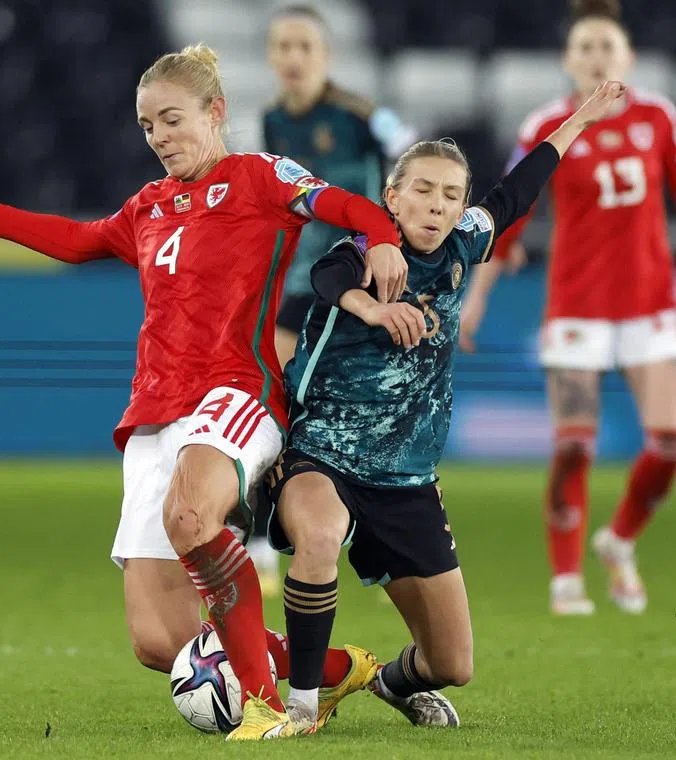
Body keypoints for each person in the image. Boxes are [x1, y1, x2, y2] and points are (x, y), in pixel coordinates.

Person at [0, 45, 408, 741]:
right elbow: (80, 240)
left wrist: (379, 236)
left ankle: (265, 707)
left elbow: (340, 203)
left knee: (194, 519)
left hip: (236, 391)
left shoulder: (257, 178)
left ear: (215, 112)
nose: (159, 137)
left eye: (171, 120)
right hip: (152, 414)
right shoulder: (150, 205)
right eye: (147, 127)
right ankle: (340, 667)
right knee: (160, 642)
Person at [265, 83, 629, 731]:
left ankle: (384, 682)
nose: (437, 206)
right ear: (392, 197)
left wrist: (582, 118)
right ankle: (298, 708)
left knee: (452, 664)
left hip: (407, 481)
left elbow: (519, 188)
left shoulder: (465, 244)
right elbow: (331, 278)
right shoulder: (366, 250)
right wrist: (375, 307)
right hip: (321, 457)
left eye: (450, 195)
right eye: (424, 190)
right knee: (318, 537)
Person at [460, 0, 676, 616]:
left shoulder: (659, 117)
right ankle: (566, 578)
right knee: (575, 445)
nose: (595, 57)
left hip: (651, 305)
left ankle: (618, 540)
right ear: (567, 60)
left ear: (628, 57)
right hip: (577, 308)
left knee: (671, 447)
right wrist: (477, 296)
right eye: (583, 47)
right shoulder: (546, 126)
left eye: (606, 46)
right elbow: (512, 212)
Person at [250, 5, 416, 597]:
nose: (293, 58)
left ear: (326, 57)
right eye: (283, 46)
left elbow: (414, 162)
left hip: (365, 280)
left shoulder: (362, 116)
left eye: (304, 46)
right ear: (271, 56)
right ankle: (264, 538)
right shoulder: (272, 120)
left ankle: (372, 526)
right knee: (278, 395)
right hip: (302, 283)